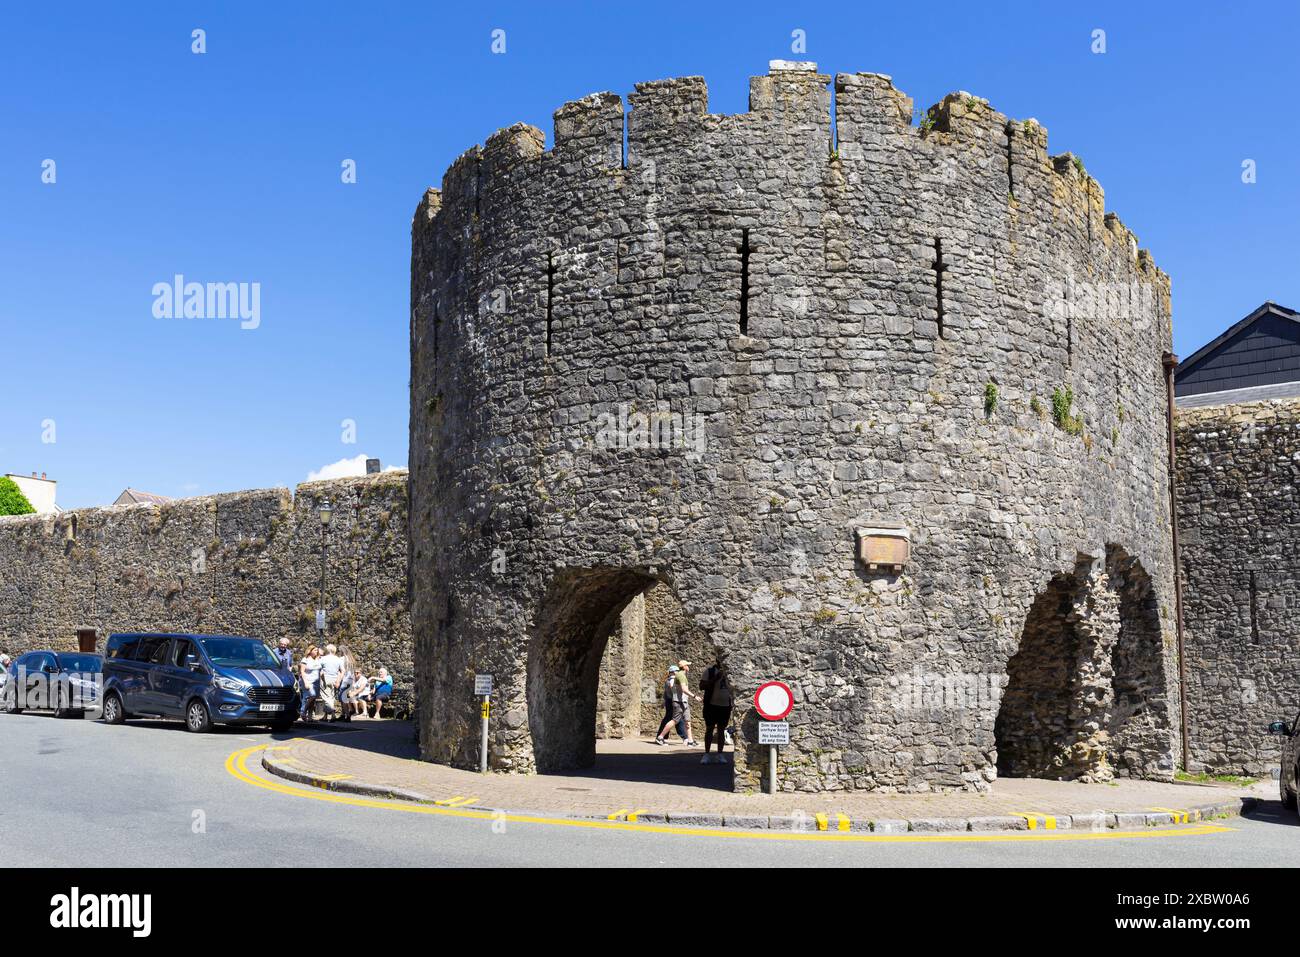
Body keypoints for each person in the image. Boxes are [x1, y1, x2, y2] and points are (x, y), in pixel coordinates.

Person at [698, 656, 734, 764]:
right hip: (711, 705)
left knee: (721, 730)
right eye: (720, 660)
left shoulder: (731, 672)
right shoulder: (709, 671)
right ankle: (707, 754)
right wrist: (715, 678)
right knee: (709, 729)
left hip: (725, 706)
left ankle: (720, 754)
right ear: (717, 660)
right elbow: (701, 686)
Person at [654, 665, 687, 744]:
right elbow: (673, 692)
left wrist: (664, 702)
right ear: (674, 672)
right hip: (673, 702)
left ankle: (661, 736)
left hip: (669, 701)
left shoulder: (667, 680)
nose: (678, 673)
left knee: (671, 719)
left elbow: (666, 693)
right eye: (677, 671)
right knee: (676, 719)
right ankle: (685, 738)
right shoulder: (672, 680)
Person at [673, 660, 699, 746]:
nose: (688, 667)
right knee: (674, 721)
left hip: (684, 702)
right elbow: (684, 689)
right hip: (680, 702)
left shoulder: (682, 675)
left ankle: (690, 741)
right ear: (684, 667)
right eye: (687, 665)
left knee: (688, 721)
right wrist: (695, 696)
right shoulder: (681, 675)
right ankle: (660, 737)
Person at [319, 644, 344, 720]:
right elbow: (343, 671)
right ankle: (325, 716)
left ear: (327, 650)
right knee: (331, 697)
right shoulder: (338, 659)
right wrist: (338, 681)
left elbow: (319, 669)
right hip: (335, 679)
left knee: (326, 697)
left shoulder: (323, 659)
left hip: (325, 678)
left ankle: (333, 713)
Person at [299, 646, 322, 722]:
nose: (316, 652)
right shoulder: (305, 659)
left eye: (317, 650)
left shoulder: (317, 660)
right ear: (310, 651)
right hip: (308, 681)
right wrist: (305, 682)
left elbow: (320, 671)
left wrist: (323, 681)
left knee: (313, 699)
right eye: (315, 650)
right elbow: (302, 671)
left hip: (316, 682)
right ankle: (303, 711)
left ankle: (310, 716)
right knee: (310, 696)